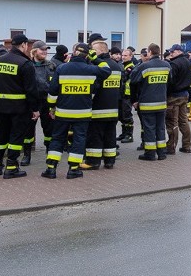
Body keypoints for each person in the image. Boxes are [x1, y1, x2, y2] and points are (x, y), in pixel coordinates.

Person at [42, 43, 111, 179]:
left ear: (73, 53)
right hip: (82, 113)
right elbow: (107, 70)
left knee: (57, 138)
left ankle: (51, 169)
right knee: (79, 140)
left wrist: (51, 107)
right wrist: (96, 59)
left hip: (62, 112)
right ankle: (73, 169)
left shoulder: (62, 68)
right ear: (87, 55)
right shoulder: (91, 69)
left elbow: (53, 91)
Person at [0, 34, 41, 178]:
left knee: (1, 137)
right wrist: (35, 109)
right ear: (24, 45)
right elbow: (31, 90)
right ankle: (11, 167)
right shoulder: (25, 64)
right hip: (20, 109)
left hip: (1, 108)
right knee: (16, 138)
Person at [82, 36, 123, 170]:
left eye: (92, 50)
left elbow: (93, 87)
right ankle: (109, 161)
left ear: (99, 51)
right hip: (113, 108)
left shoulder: (96, 67)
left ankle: (93, 161)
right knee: (110, 136)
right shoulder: (116, 66)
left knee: (95, 135)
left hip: (97, 108)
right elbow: (121, 88)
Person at [130, 43, 171, 161]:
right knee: (160, 128)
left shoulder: (144, 66)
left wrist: (134, 100)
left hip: (147, 104)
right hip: (162, 103)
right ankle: (162, 153)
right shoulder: (167, 65)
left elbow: (133, 82)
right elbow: (170, 82)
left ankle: (150, 153)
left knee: (149, 128)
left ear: (150, 52)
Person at [23, 40, 57, 165]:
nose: (45, 52)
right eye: (42, 49)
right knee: (28, 130)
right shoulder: (27, 65)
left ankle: (49, 153)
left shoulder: (51, 65)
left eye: (46, 49)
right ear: (34, 51)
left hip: (47, 102)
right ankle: (27, 155)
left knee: (49, 130)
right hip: (32, 103)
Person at [165, 44, 191, 155]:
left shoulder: (174, 64)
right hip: (184, 95)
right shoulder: (187, 61)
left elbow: (171, 81)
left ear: (178, 51)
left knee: (172, 122)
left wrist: (166, 92)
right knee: (183, 121)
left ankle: (171, 147)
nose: (170, 54)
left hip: (174, 96)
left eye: (172, 52)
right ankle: (187, 146)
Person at [116, 47, 137, 142]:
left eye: (125, 55)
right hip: (121, 94)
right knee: (121, 115)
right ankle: (124, 133)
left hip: (127, 95)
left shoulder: (131, 67)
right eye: (122, 55)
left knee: (127, 115)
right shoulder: (121, 65)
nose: (123, 57)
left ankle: (129, 135)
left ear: (131, 56)